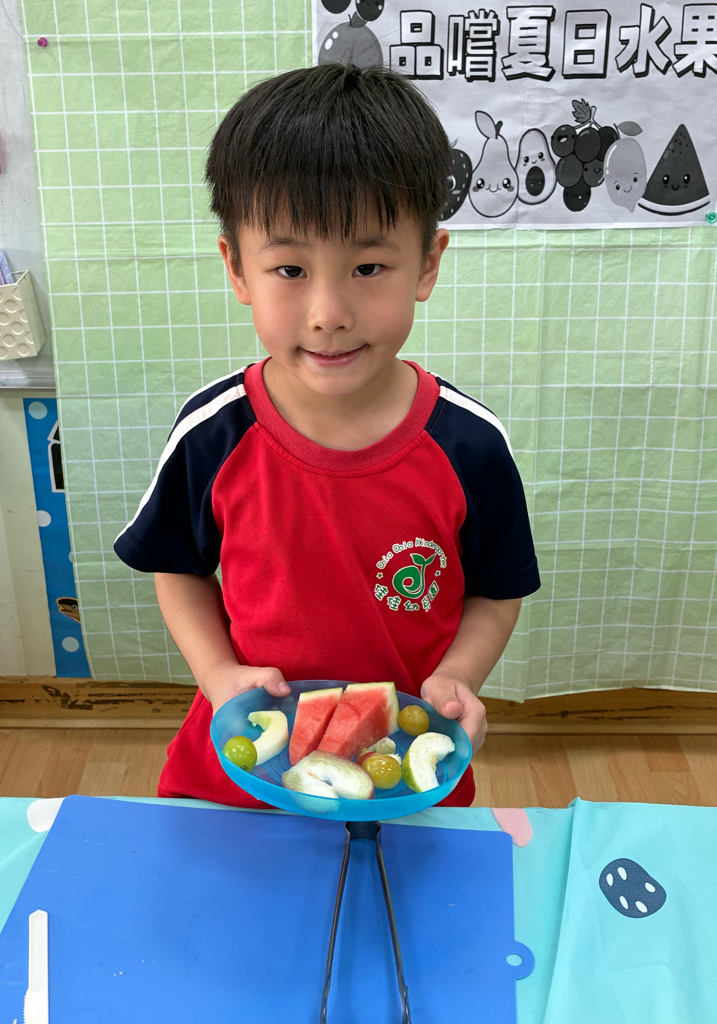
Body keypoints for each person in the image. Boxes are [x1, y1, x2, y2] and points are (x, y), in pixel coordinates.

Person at [114, 63, 540, 808]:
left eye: (368, 266)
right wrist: (219, 676)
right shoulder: (213, 434)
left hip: (400, 774)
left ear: (427, 264)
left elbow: (496, 592)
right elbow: (176, 569)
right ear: (237, 269)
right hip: (241, 776)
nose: (328, 313)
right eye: (289, 268)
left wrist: (458, 676)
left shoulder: (470, 446)